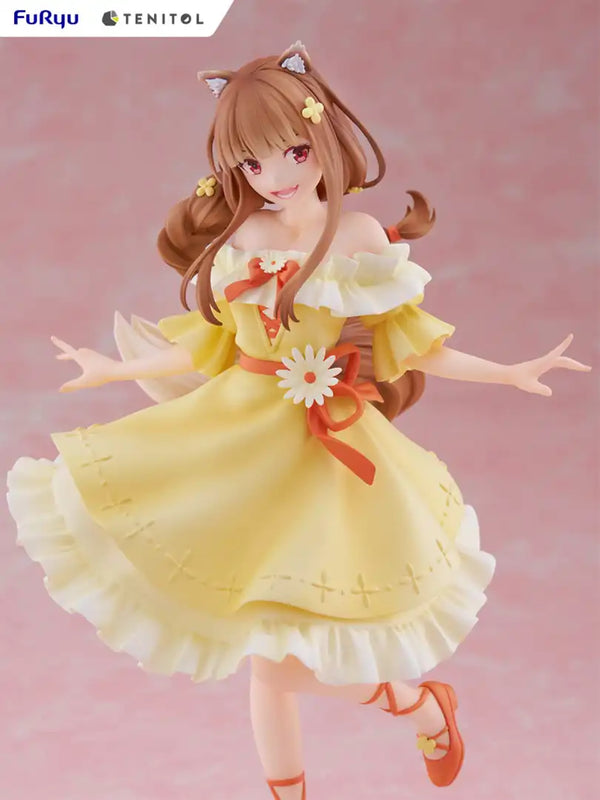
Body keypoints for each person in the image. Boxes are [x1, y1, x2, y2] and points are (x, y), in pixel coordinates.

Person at [6, 42, 590, 799]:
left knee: (279, 666)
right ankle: (399, 721)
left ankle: (421, 706)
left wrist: (508, 371)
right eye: (252, 165)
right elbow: (212, 344)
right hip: (237, 442)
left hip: (326, 455)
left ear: (322, 139)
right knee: (268, 665)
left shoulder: (360, 239)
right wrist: (113, 367)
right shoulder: (242, 239)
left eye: (294, 153)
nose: (275, 177)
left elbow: (412, 342)